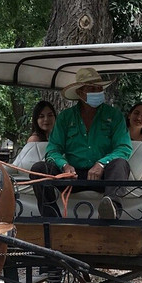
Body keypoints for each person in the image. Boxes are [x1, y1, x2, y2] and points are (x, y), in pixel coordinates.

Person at [32, 67, 132, 217]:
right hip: (72, 177)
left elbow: (123, 148)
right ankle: (51, 218)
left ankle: (111, 211)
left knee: (120, 163)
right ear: (79, 93)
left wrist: (101, 164)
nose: (97, 91)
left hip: (103, 176)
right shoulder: (65, 117)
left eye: (99, 88)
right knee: (39, 168)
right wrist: (65, 166)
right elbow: (53, 150)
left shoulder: (114, 115)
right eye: (91, 88)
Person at [11, 101, 56, 170]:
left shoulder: (58, 137)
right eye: (41, 116)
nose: (46, 119)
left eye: (50, 115)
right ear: (36, 120)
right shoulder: (34, 139)